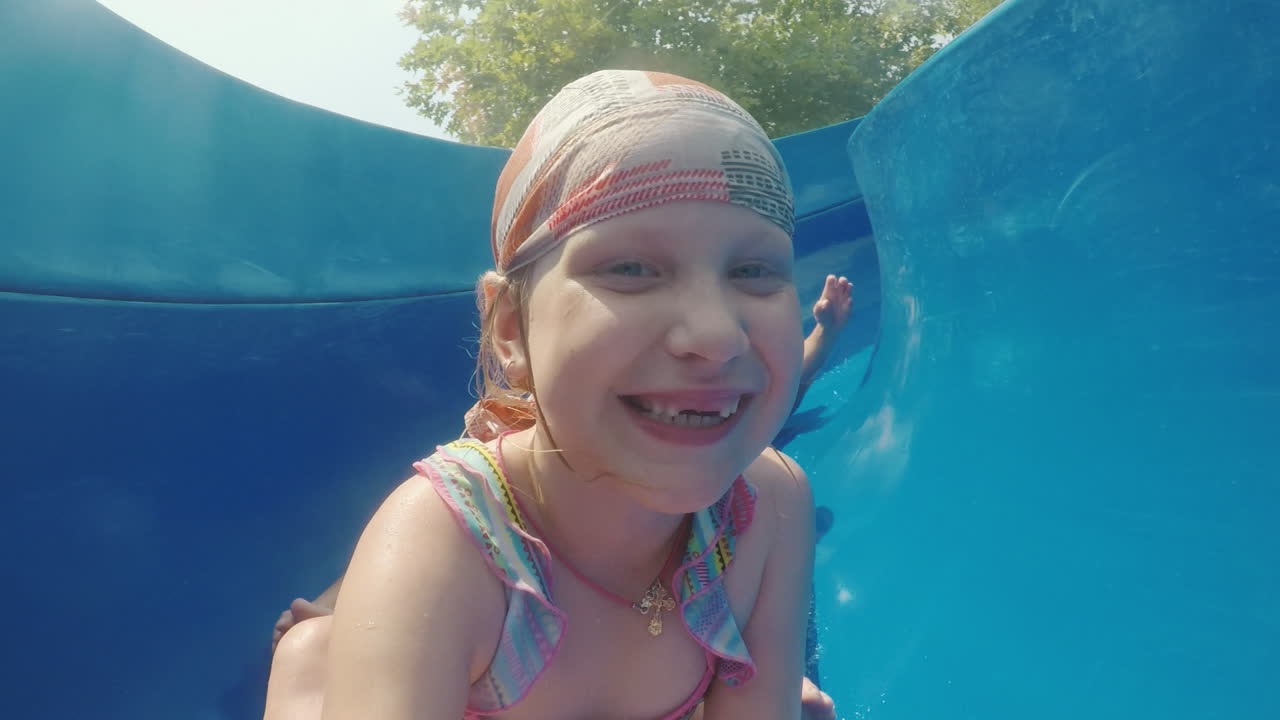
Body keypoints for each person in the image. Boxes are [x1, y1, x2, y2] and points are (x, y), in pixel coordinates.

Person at [265, 69, 839, 720]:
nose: (715, 335)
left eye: (755, 271)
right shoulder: (447, 548)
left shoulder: (769, 505)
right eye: (631, 269)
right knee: (315, 658)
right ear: (510, 328)